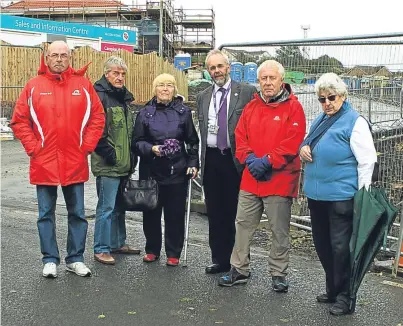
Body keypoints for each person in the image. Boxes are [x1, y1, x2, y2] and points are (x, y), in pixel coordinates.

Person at [10, 41, 105, 278]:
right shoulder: (33, 86)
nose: (59, 59)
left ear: (70, 57)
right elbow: (19, 121)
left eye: (63, 55)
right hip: (44, 162)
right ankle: (50, 259)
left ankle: (75, 259)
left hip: (75, 161)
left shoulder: (83, 85)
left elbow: (97, 117)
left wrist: (86, 147)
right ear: (47, 57)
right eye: (54, 55)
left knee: (78, 214)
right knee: (45, 214)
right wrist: (34, 148)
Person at [218, 60, 306, 292]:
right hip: (251, 178)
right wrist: (249, 159)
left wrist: (267, 160)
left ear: (281, 80)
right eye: (263, 79)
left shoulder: (294, 107)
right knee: (243, 224)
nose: (267, 83)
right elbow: (240, 136)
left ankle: (278, 273)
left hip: (279, 179)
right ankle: (239, 268)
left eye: (271, 78)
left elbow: (293, 141)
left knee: (278, 229)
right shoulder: (252, 106)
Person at [299, 73, 377, 315]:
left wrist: (362, 197)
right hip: (317, 194)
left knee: (341, 248)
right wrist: (303, 148)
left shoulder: (355, 122)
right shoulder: (320, 119)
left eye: (331, 98)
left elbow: (367, 161)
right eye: (322, 99)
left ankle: (346, 296)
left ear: (343, 96)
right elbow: (308, 142)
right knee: (322, 245)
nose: (326, 103)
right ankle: (333, 288)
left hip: (342, 196)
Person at [197, 49, 256, 274]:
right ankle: (219, 259)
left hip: (234, 160)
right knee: (215, 212)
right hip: (211, 159)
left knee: (237, 214)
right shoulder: (203, 96)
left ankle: (239, 263)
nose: (216, 71)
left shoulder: (246, 92)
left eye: (220, 66)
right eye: (212, 68)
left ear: (228, 67)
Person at [133, 73, 199, 267]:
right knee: (151, 212)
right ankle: (152, 249)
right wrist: (152, 149)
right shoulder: (145, 113)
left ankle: (173, 252)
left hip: (176, 170)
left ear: (174, 90)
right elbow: (136, 143)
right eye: (161, 85)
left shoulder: (183, 112)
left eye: (169, 85)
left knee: (174, 214)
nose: (165, 89)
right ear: (155, 89)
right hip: (151, 170)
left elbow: (193, 142)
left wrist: (193, 163)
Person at [91, 56, 141, 265]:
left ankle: (118, 242)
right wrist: (110, 155)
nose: (120, 77)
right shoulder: (100, 96)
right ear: (106, 74)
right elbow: (95, 132)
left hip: (124, 164)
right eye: (115, 73)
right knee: (106, 208)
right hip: (108, 165)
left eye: (122, 74)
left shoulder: (123, 97)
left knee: (119, 206)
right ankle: (101, 248)